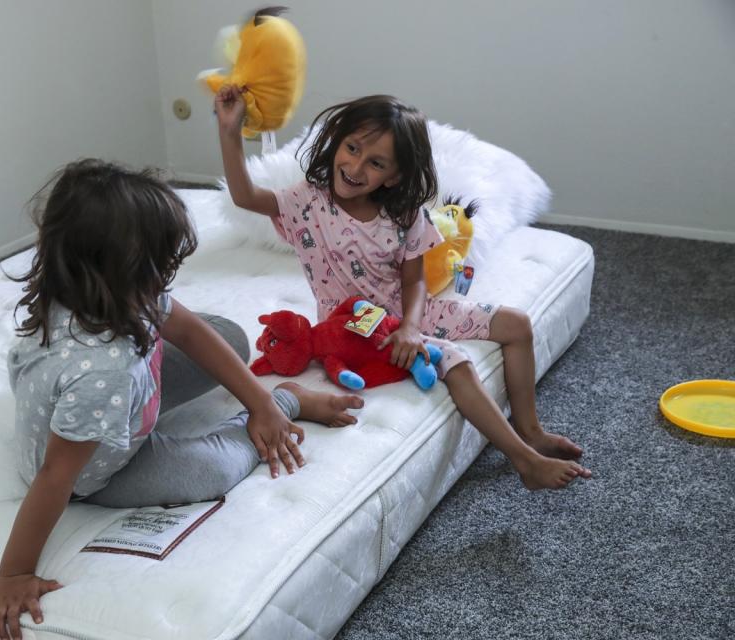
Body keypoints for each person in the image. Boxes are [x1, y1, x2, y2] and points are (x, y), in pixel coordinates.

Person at [0, 159, 363, 640]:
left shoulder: (95, 289)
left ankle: (267, 403)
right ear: (122, 269)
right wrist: (15, 572)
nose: (166, 279)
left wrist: (255, 401)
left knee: (228, 337)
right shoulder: (103, 371)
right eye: (159, 268)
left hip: (112, 391)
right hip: (102, 466)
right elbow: (58, 474)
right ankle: (290, 400)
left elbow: (189, 329)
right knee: (212, 470)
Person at [215, 89, 591, 491]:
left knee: (517, 324)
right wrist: (229, 130)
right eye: (352, 148)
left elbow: (414, 279)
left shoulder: (404, 214)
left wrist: (411, 327)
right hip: (355, 328)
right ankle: (525, 461)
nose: (355, 166)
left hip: (406, 313)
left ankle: (530, 430)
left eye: (375, 162)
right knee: (455, 362)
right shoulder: (305, 201)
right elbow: (244, 196)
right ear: (338, 141)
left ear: (393, 175)